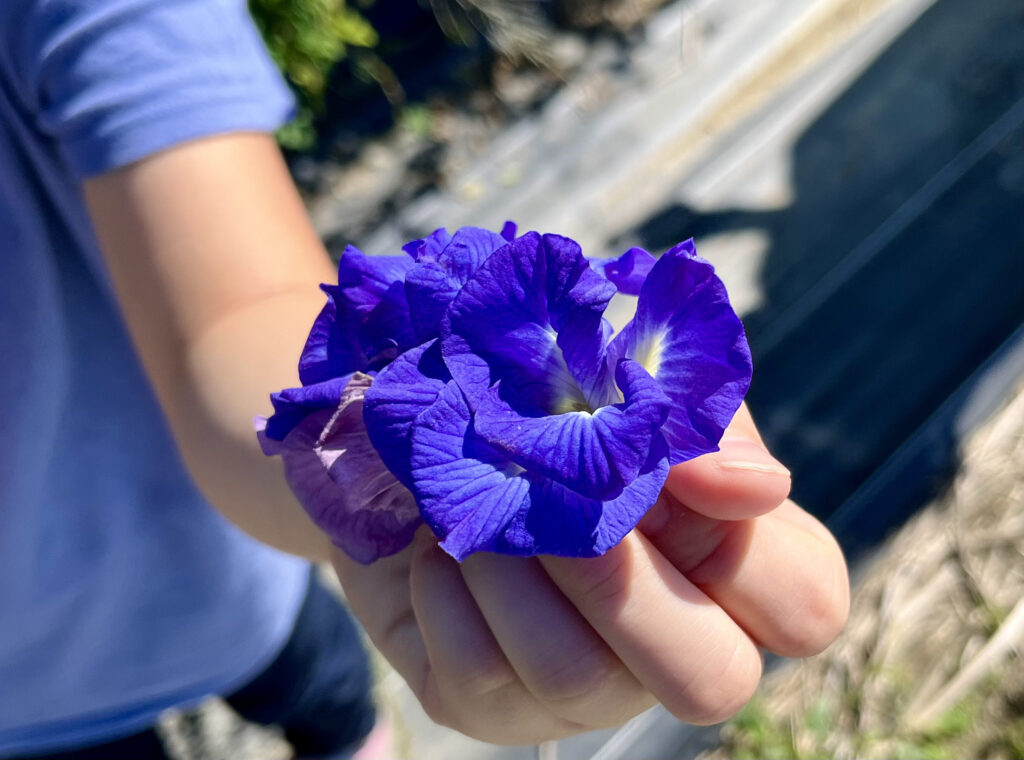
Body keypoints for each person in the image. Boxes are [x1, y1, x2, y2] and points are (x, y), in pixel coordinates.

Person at [0, 0, 851, 757]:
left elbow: (229, 326)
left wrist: (372, 465)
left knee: (330, 699)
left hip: (241, 597)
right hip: (33, 715)